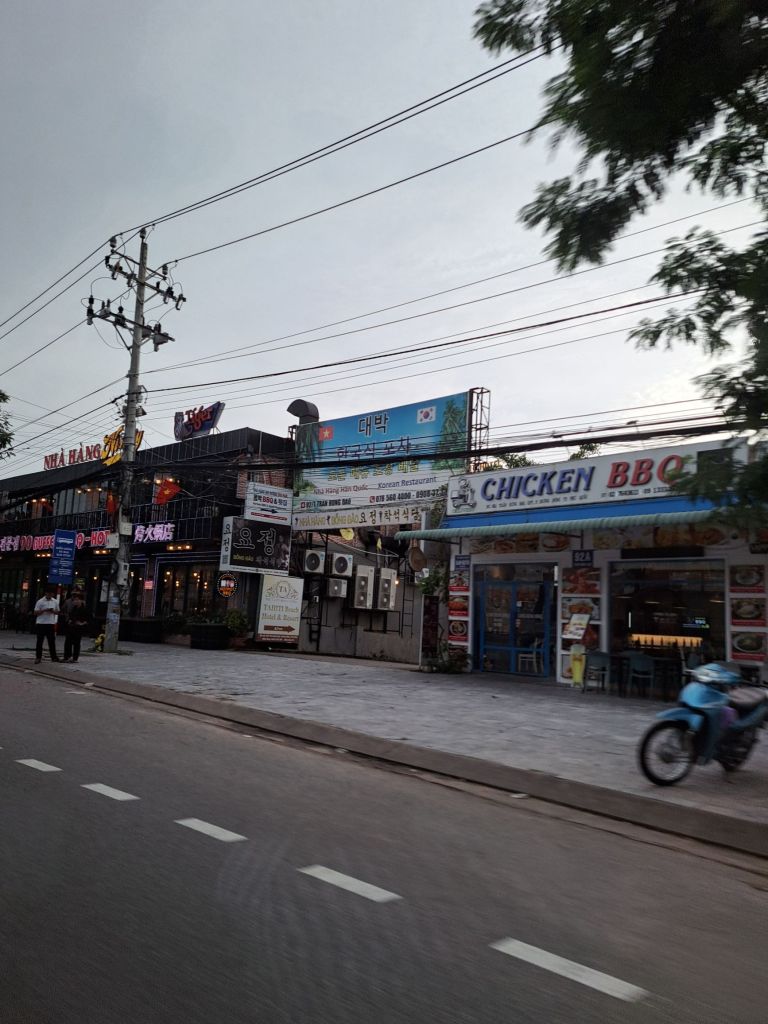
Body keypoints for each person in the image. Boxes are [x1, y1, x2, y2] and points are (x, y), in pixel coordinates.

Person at [34, 586, 60, 664]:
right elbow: (35, 612)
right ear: (46, 593)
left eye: (51, 594)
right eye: (48, 594)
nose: (50, 595)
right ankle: (38, 657)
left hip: (50, 623)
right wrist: (44, 610)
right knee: (40, 641)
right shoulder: (40, 601)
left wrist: (53, 611)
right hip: (41, 623)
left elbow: (58, 612)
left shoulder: (55, 601)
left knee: (51, 641)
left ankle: (54, 657)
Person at [63, 594, 90, 664]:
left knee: (76, 643)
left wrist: (82, 623)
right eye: (75, 600)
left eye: (77, 600)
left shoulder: (84, 609)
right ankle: (67, 656)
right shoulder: (73, 608)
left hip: (78, 629)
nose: (76, 601)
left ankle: (75, 658)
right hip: (71, 627)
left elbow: (88, 619)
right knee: (68, 642)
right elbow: (70, 616)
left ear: (81, 601)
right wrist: (70, 620)